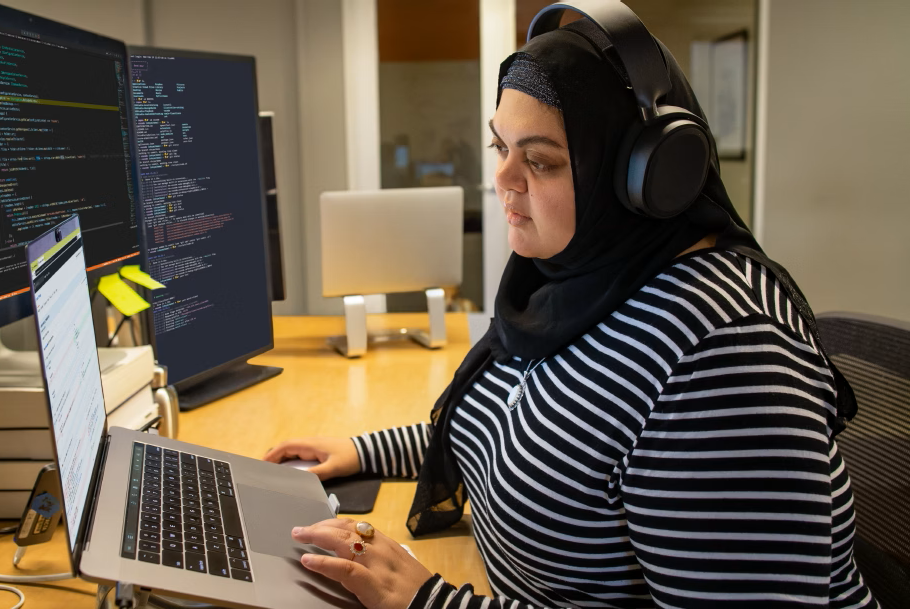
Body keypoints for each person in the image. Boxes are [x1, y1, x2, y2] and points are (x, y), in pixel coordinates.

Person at [264, 9, 876, 609]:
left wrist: (428, 600)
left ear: (644, 176)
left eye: (540, 160)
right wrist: (366, 451)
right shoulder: (569, 281)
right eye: (499, 145)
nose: (503, 178)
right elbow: (511, 426)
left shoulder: (721, 360)